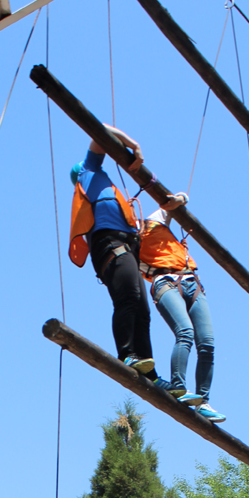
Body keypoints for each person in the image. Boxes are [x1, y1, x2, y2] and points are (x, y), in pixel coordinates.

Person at [69, 125, 186, 398]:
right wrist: (134, 144)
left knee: (142, 309)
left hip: (127, 246)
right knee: (128, 300)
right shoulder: (88, 173)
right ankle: (127, 354)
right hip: (110, 245)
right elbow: (99, 130)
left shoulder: (112, 189)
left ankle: (149, 371)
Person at [138, 198, 226, 423]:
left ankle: (203, 401)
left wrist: (181, 199)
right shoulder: (129, 240)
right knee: (185, 332)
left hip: (191, 282)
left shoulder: (152, 222)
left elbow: (172, 202)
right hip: (164, 281)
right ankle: (179, 387)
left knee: (207, 343)